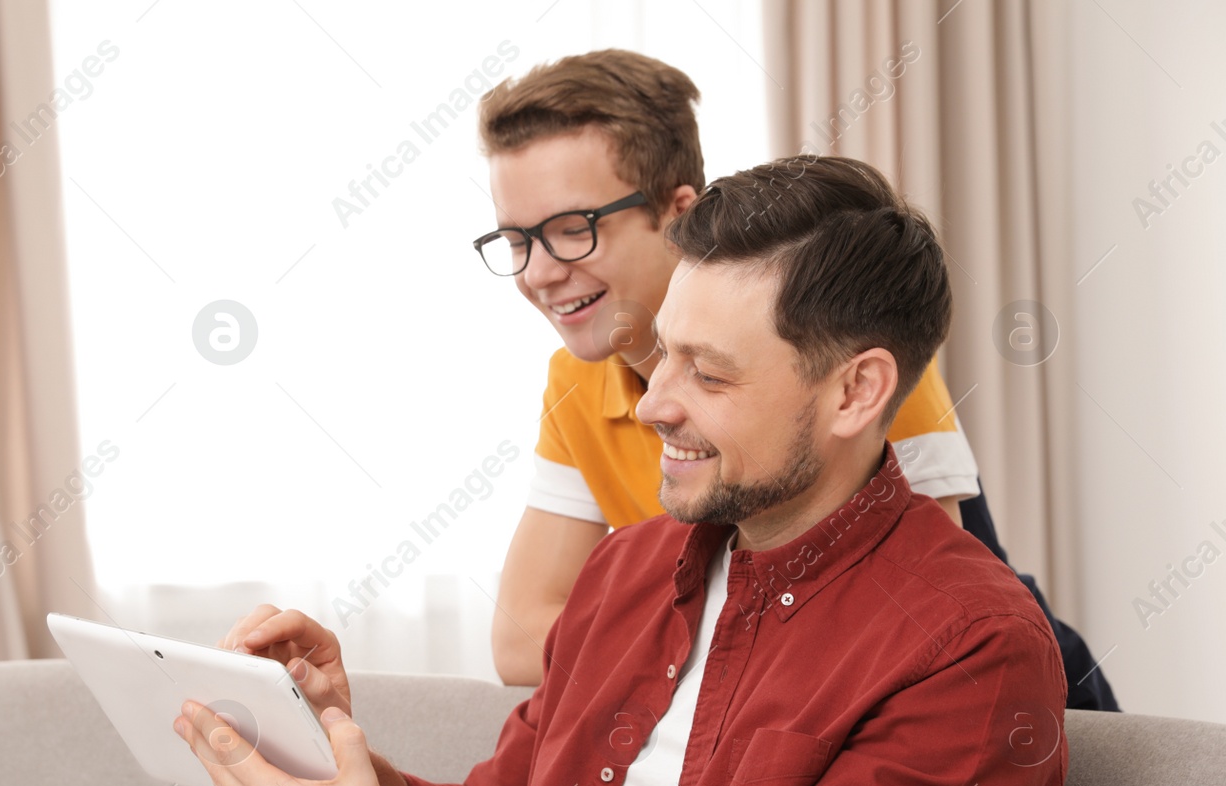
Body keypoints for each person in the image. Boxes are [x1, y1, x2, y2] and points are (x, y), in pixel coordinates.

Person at [175, 156, 1067, 786]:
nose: (656, 404)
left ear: (855, 391)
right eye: (663, 354)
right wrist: (343, 765)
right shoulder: (630, 570)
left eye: (709, 376)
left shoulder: (974, 652)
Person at [476, 50, 1117, 711]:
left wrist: (661, 639)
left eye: (571, 230)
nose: (538, 273)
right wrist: (721, 637)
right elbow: (521, 640)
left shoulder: (841, 340)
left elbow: (917, 626)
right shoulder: (577, 381)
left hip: (1007, 703)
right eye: (517, 240)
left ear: (678, 213)